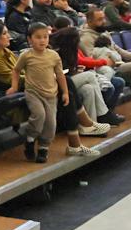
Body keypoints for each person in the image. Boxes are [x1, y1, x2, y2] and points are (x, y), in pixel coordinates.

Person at [8, 24, 99, 164]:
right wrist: (14, 86)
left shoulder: (53, 56)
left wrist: (65, 92)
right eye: (38, 37)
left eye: (45, 37)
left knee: (51, 124)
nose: (42, 40)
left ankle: (43, 148)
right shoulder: (26, 55)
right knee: (39, 115)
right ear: (30, 39)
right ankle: (30, 139)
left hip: (51, 95)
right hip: (33, 93)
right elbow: (16, 70)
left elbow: (60, 75)